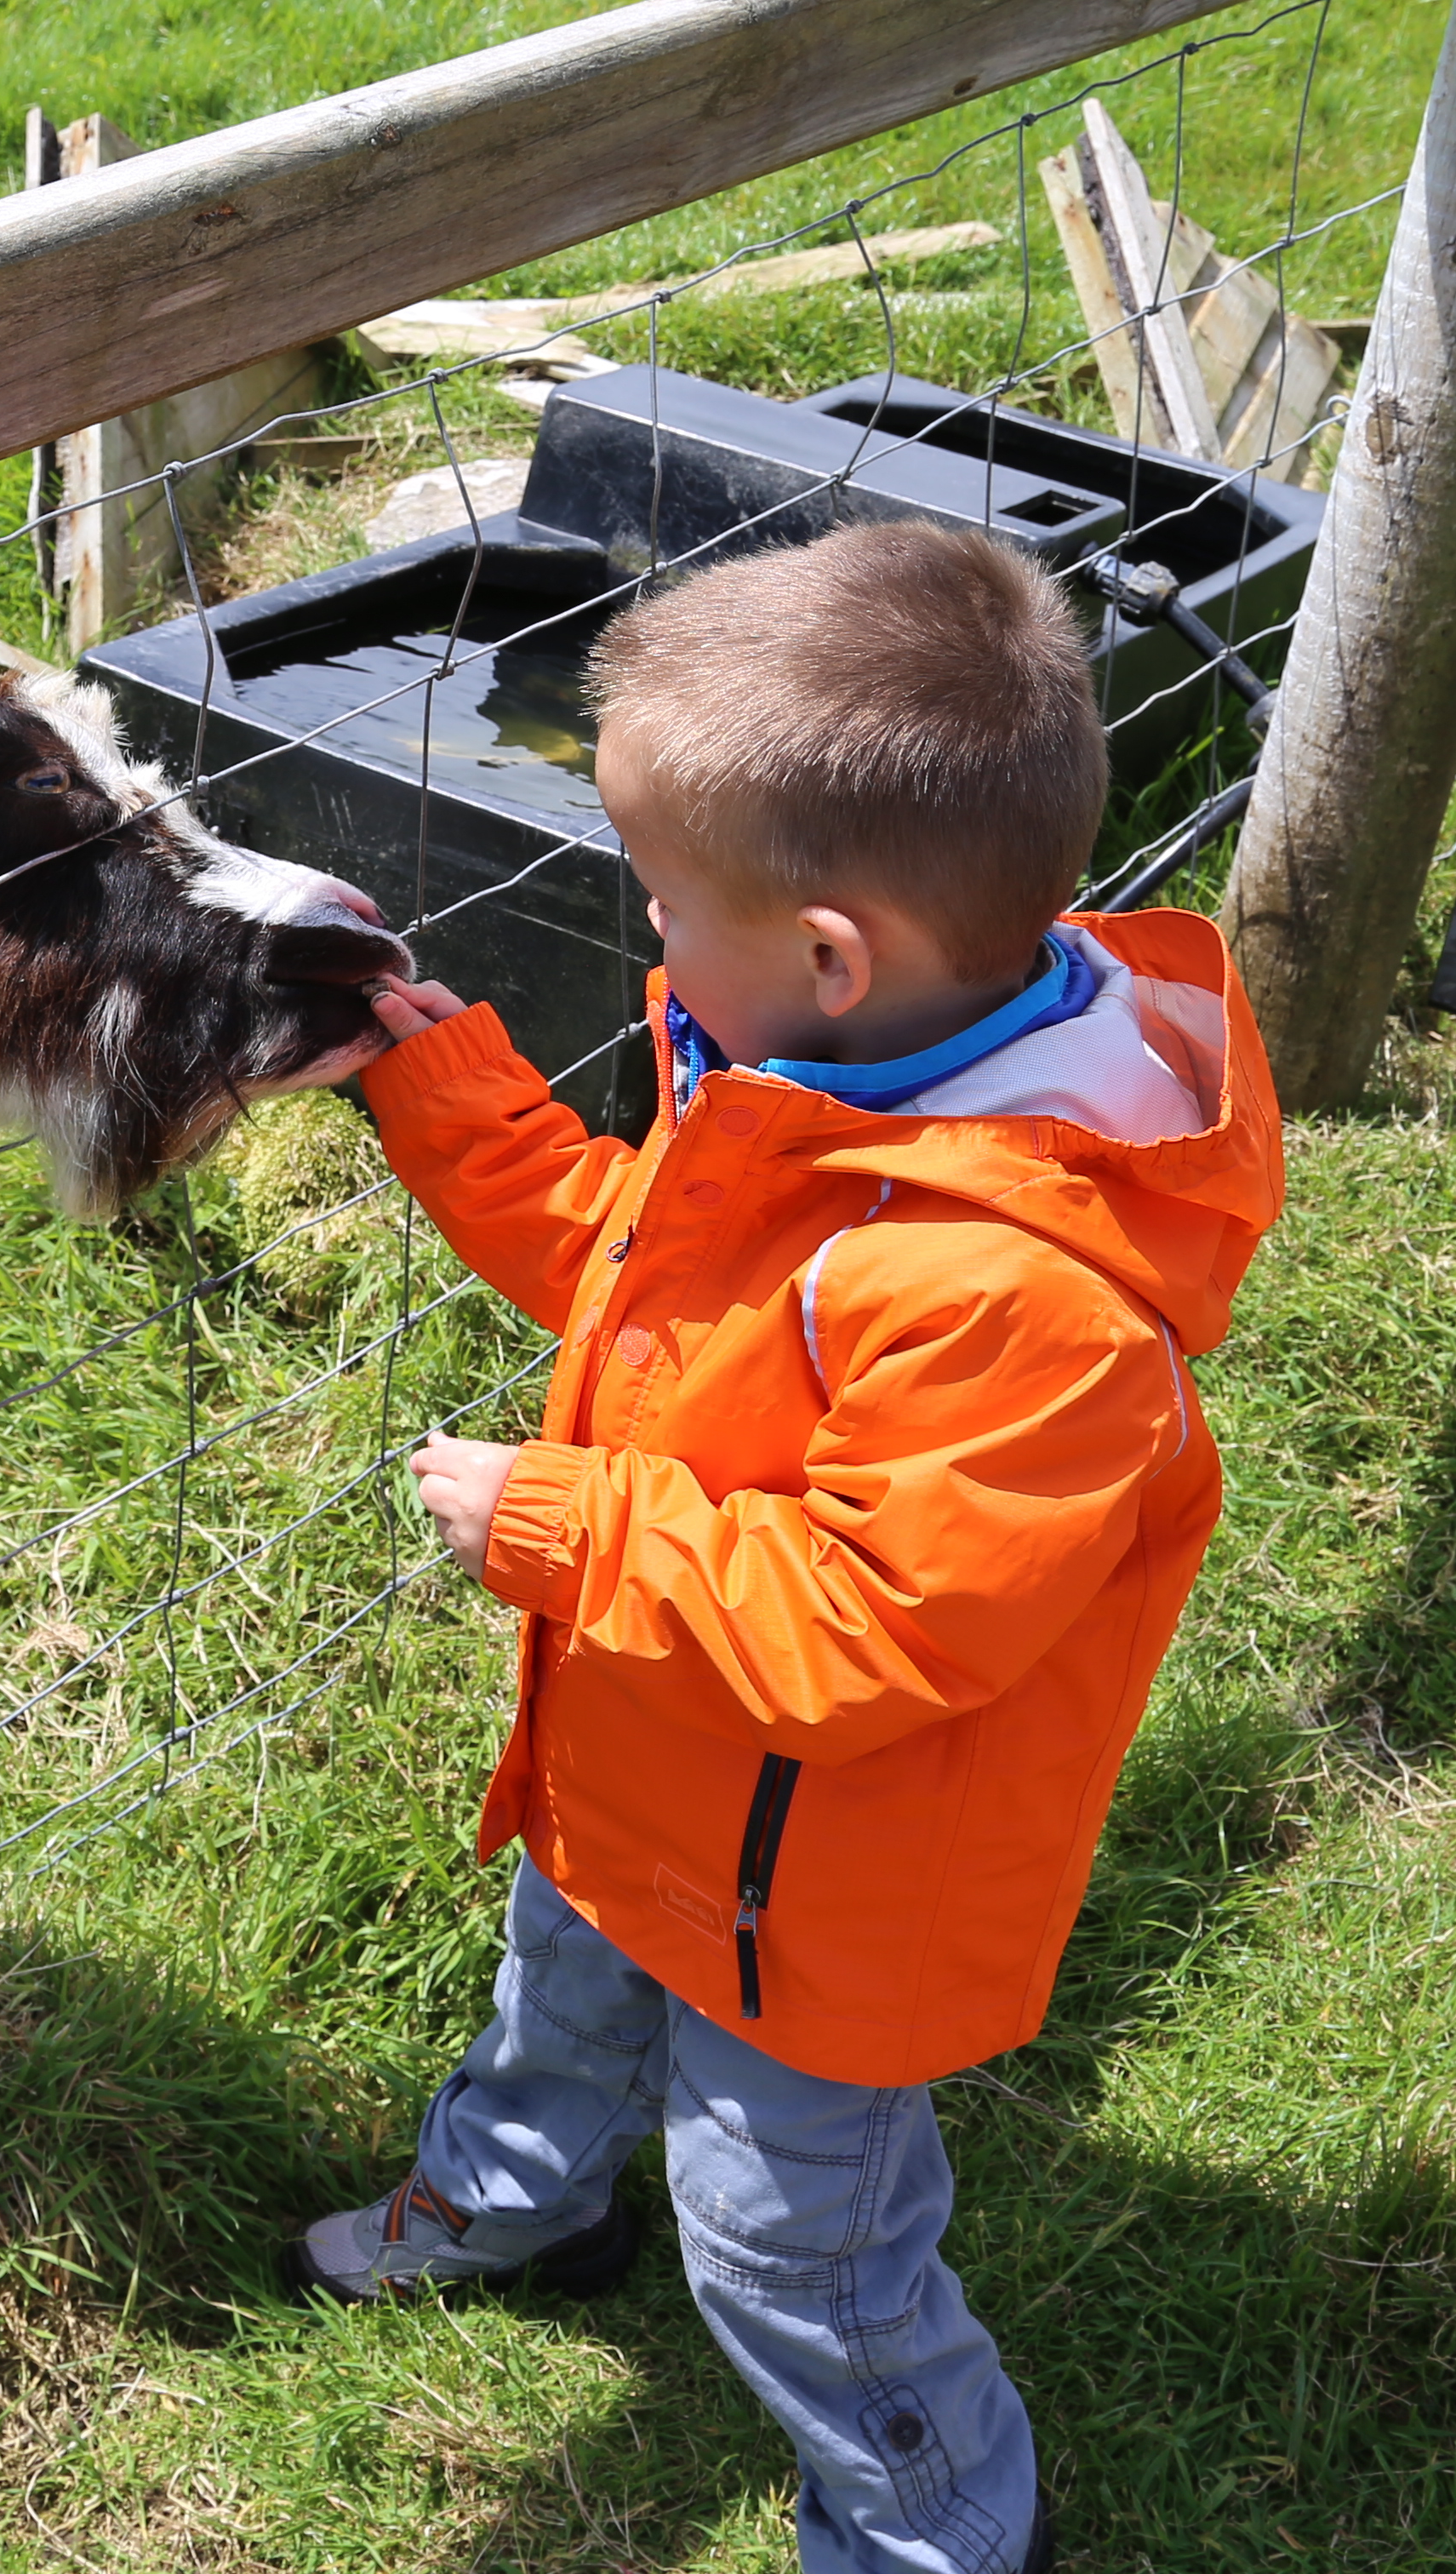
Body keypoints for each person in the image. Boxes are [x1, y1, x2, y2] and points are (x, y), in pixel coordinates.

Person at [287, 517, 1284, 2574]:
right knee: (554, 1999)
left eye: (658, 892)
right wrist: (455, 1093)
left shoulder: (1020, 1292)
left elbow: (866, 1628)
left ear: (832, 953)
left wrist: (558, 1523)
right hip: (649, 1769)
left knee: (788, 2244)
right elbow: (627, 1276)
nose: (641, 927)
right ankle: (517, 2201)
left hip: (824, 1907)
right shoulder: (800, 1095)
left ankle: (931, 2526)